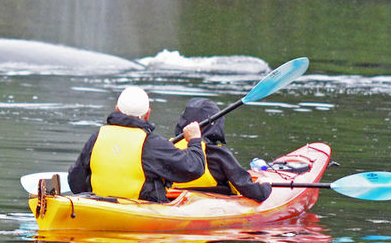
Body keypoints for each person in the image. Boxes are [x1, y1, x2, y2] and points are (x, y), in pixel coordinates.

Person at [68, 86, 206, 202]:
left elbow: (75, 181)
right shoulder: (152, 144)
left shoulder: (97, 137)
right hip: (139, 212)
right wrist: (194, 140)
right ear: (147, 114)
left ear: (117, 109)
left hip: (98, 207)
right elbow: (194, 168)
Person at [172, 98, 272, 202]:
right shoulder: (218, 154)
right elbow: (257, 194)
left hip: (172, 202)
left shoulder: (168, 148)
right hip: (211, 206)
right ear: (216, 124)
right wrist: (265, 185)